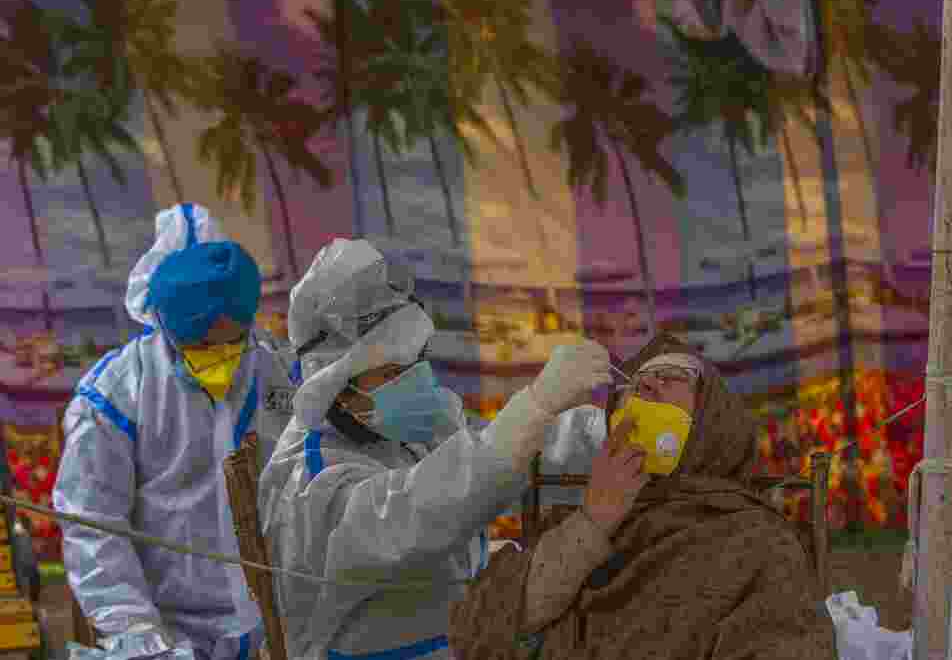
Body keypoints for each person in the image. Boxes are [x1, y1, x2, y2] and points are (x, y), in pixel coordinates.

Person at [258, 238, 613, 660]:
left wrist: (606, 429)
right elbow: (423, 508)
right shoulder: (309, 479)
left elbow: (490, 445)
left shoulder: (401, 426)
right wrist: (536, 402)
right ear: (336, 386)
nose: (414, 379)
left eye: (415, 361)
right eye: (392, 370)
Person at [450, 332, 837, 660]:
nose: (647, 385)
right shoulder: (582, 521)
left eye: (670, 377)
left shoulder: (756, 543)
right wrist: (591, 524)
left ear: (709, 418)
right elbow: (478, 633)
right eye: (634, 383)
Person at [54, 203, 296, 660]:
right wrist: (136, 631)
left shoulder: (280, 373)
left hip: (277, 627)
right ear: (165, 323)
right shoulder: (115, 395)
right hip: (167, 634)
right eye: (201, 344)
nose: (219, 356)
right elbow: (93, 522)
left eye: (233, 340)